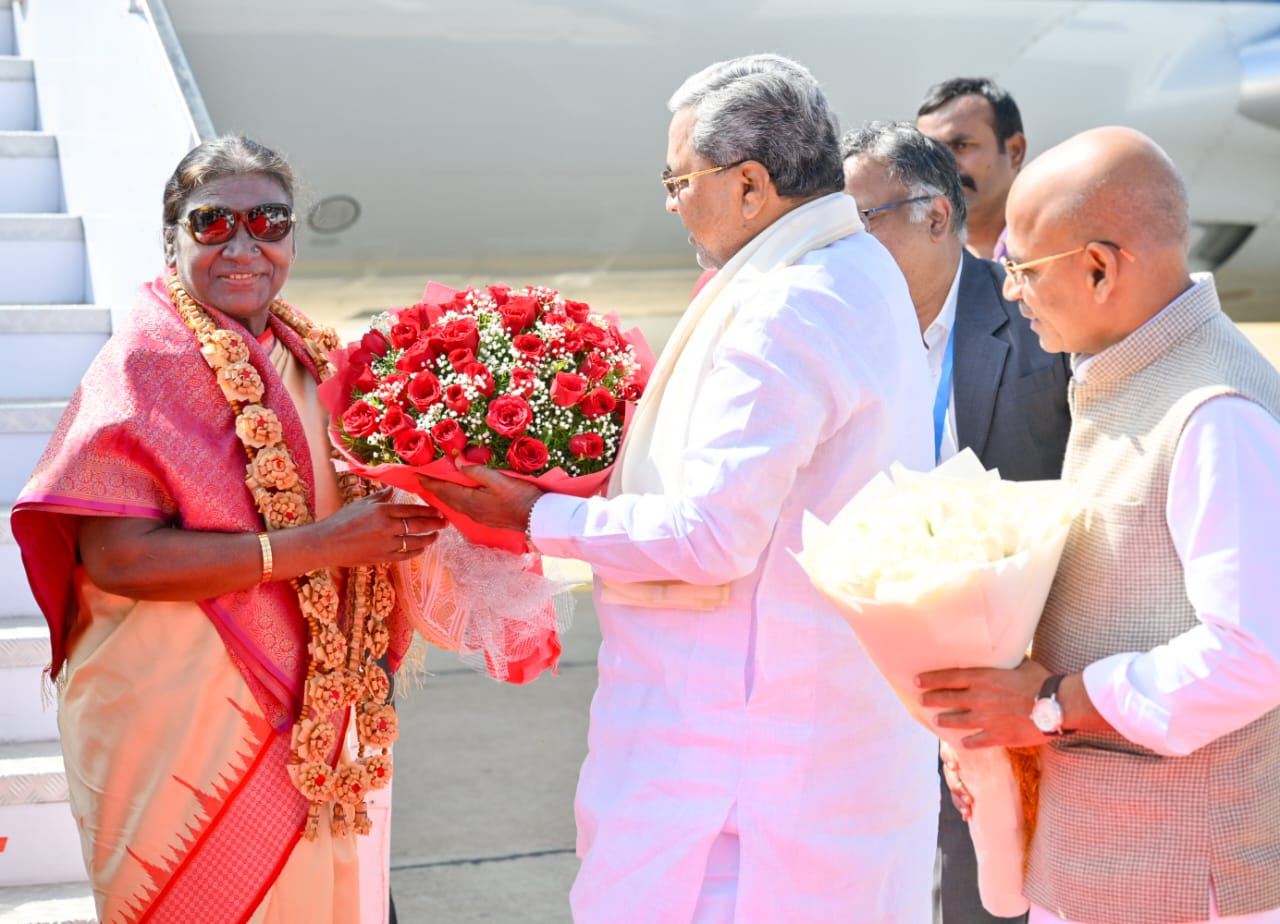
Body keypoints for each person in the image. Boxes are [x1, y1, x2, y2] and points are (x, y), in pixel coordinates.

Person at [422, 54, 937, 922]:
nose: (669, 203)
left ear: (748, 186)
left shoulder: (785, 306)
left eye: (677, 180)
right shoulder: (859, 270)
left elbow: (711, 536)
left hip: (735, 781)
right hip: (817, 746)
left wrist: (537, 513)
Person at [11, 136, 442, 923]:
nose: (243, 247)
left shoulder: (314, 357)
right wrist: (320, 547)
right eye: (211, 224)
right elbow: (119, 561)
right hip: (179, 718)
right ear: (170, 239)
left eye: (268, 222)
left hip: (316, 711)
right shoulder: (144, 362)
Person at [917, 126, 1280, 924]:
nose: (1009, 291)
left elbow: (1251, 657)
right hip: (1104, 864)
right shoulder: (1130, 371)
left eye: (1020, 269)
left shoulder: (1215, 413)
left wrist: (1048, 701)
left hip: (1179, 876)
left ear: (1099, 266)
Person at [843, 120, 1070, 923]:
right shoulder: (845, 336)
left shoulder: (1042, 330)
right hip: (875, 678)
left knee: (992, 891)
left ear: (936, 216)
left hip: (1011, 678)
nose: (846, 246)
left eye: (861, 221)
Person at [916, 77, 1026, 261]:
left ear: (1015, 151)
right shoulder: (909, 257)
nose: (942, 165)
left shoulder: (1059, 244)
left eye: (961, 146)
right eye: (930, 151)